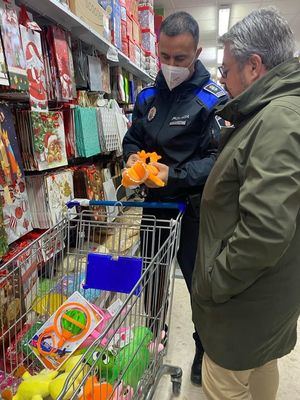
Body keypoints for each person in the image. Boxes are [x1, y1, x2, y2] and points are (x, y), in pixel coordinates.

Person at [192, 7, 300, 399]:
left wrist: (215, 280)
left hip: (244, 302)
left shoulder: (277, 120)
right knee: (262, 364)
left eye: (225, 70)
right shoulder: (275, 113)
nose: (222, 80)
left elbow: (266, 229)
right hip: (268, 298)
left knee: (226, 382)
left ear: (254, 66)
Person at [123, 11, 227, 385]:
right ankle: (153, 336)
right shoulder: (148, 95)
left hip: (195, 209)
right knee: (152, 277)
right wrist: (131, 157)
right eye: (164, 57)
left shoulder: (213, 99)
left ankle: (203, 348)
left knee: (199, 284)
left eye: (180, 58)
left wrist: (176, 175)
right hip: (155, 208)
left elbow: (220, 161)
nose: (171, 66)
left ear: (197, 52)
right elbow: (133, 138)